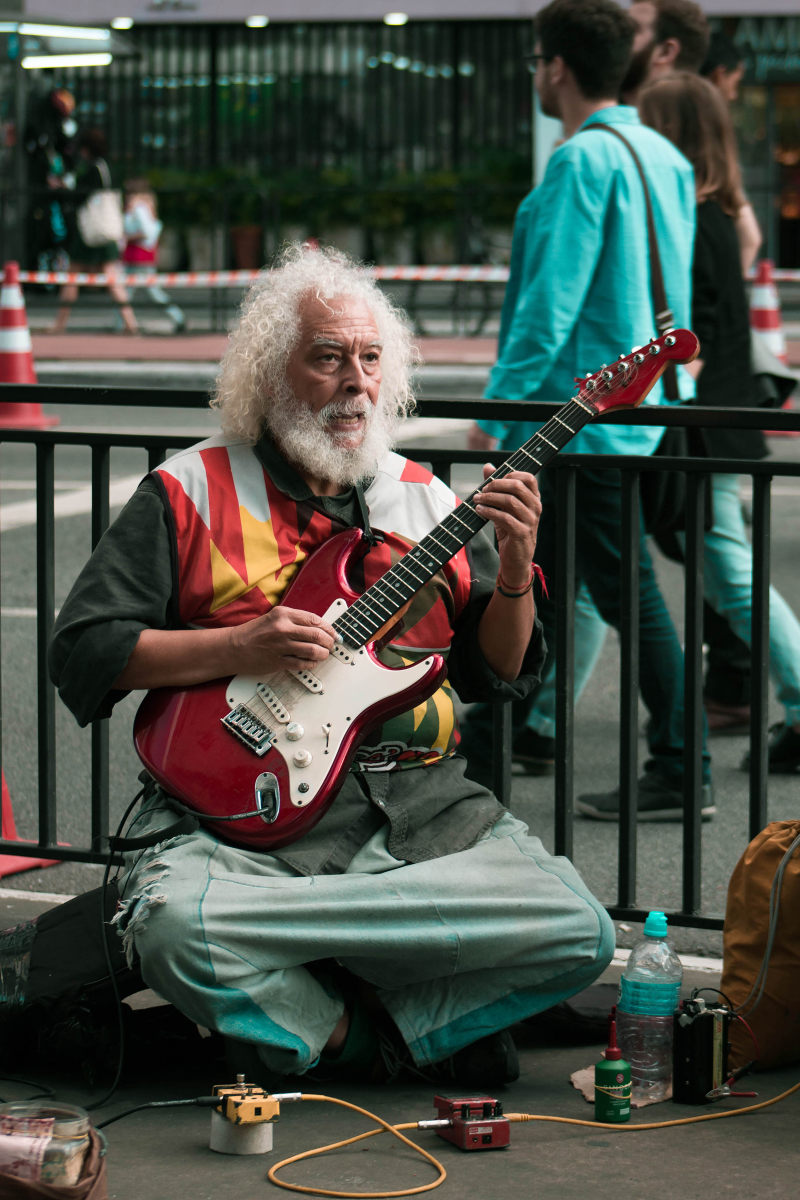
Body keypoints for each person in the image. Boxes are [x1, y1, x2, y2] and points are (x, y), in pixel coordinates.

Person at [48, 244, 615, 1086]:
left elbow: (502, 670)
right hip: (237, 819)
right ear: (273, 374)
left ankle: (328, 1017)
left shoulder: (422, 498)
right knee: (172, 927)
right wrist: (236, 645)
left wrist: (519, 565)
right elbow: (84, 651)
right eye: (328, 358)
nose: (357, 382)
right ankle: (378, 1036)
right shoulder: (190, 489)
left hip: (422, 809)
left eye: (371, 359)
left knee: (582, 931)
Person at [461, 0, 712, 822]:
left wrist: (498, 417)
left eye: (537, 61)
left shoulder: (579, 164)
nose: (535, 74)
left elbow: (550, 308)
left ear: (557, 67)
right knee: (551, 578)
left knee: (615, 587)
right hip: (648, 410)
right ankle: (495, 740)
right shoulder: (663, 155)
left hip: (580, 418)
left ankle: (683, 759)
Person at [638, 72, 800, 775]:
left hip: (705, 419)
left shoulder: (687, 215)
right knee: (709, 567)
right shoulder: (726, 212)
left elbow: (689, 330)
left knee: (728, 572)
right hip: (730, 415)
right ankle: (539, 716)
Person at [50, 129, 138, 335]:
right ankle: (130, 322)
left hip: (89, 232)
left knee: (73, 276)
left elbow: (78, 197)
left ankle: (59, 324)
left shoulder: (91, 170)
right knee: (112, 277)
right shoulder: (108, 168)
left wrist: (61, 188)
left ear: (86, 149)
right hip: (104, 232)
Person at [120, 179, 185, 334]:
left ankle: (178, 317)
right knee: (126, 292)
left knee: (135, 293)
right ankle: (122, 323)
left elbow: (147, 232)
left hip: (139, 256)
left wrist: (128, 237)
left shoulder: (139, 208)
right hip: (137, 256)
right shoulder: (145, 206)